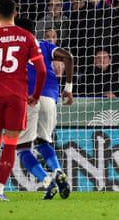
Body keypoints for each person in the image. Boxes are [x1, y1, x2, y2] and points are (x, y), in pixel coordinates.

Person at [0, 0, 46, 201]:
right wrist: (36, 95)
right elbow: (41, 71)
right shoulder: (27, 37)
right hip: (17, 96)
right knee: (11, 144)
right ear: (16, 13)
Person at [15, 18, 73, 200]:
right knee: (43, 142)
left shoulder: (15, 49)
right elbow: (68, 57)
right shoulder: (45, 46)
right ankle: (57, 170)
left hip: (29, 99)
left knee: (23, 148)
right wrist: (68, 88)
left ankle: (48, 181)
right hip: (49, 98)